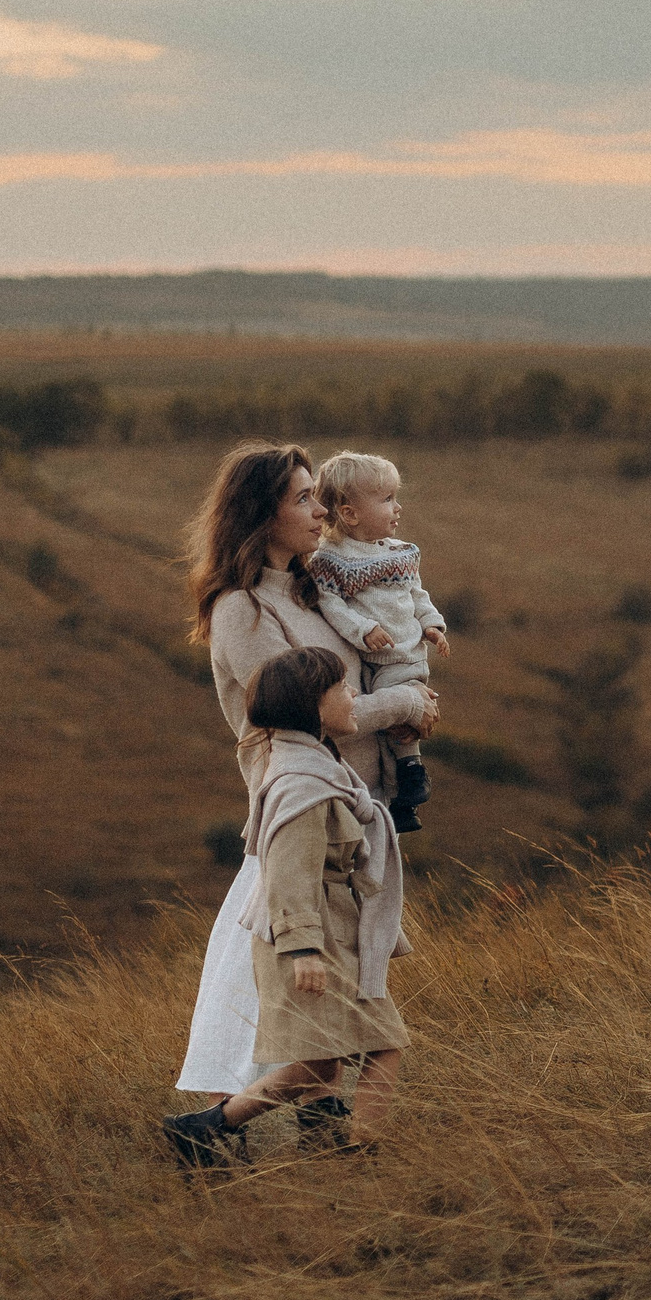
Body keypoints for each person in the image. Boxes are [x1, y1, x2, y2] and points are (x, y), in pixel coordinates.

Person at [172, 443, 437, 1105]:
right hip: (302, 807)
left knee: (335, 973)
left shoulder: (315, 590)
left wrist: (407, 692)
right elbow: (311, 715)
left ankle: (297, 1123)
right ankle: (217, 1124)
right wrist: (403, 705)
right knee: (291, 971)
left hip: (354, 804)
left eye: (318, 497)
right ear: (261, 515)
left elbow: (360, 681)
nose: (320, 510)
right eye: (301, 499)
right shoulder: (243, 610)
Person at [162, 647, 411, 1167]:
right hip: (309, 941)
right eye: (341, 690)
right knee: (362, 1052)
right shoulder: (301, 784)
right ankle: (358, 1154)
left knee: (324, 1064)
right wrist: (303, 950)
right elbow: (288, 874)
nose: (353, 698)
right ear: (313, 707)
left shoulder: (321, 764)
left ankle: (206, 1131)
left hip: (332, 932)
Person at [306, 450, 450, 833]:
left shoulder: (399, 553)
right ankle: (408, 779)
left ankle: (404, 787)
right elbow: (329, 602)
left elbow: (416, 593)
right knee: (395, 729)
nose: (397, 507)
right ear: (350, 514)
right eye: (386, 500)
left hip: (411, 652)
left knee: (408, 713)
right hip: (382, 659)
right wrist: (363, 628)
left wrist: (432, 624)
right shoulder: (333, 560)